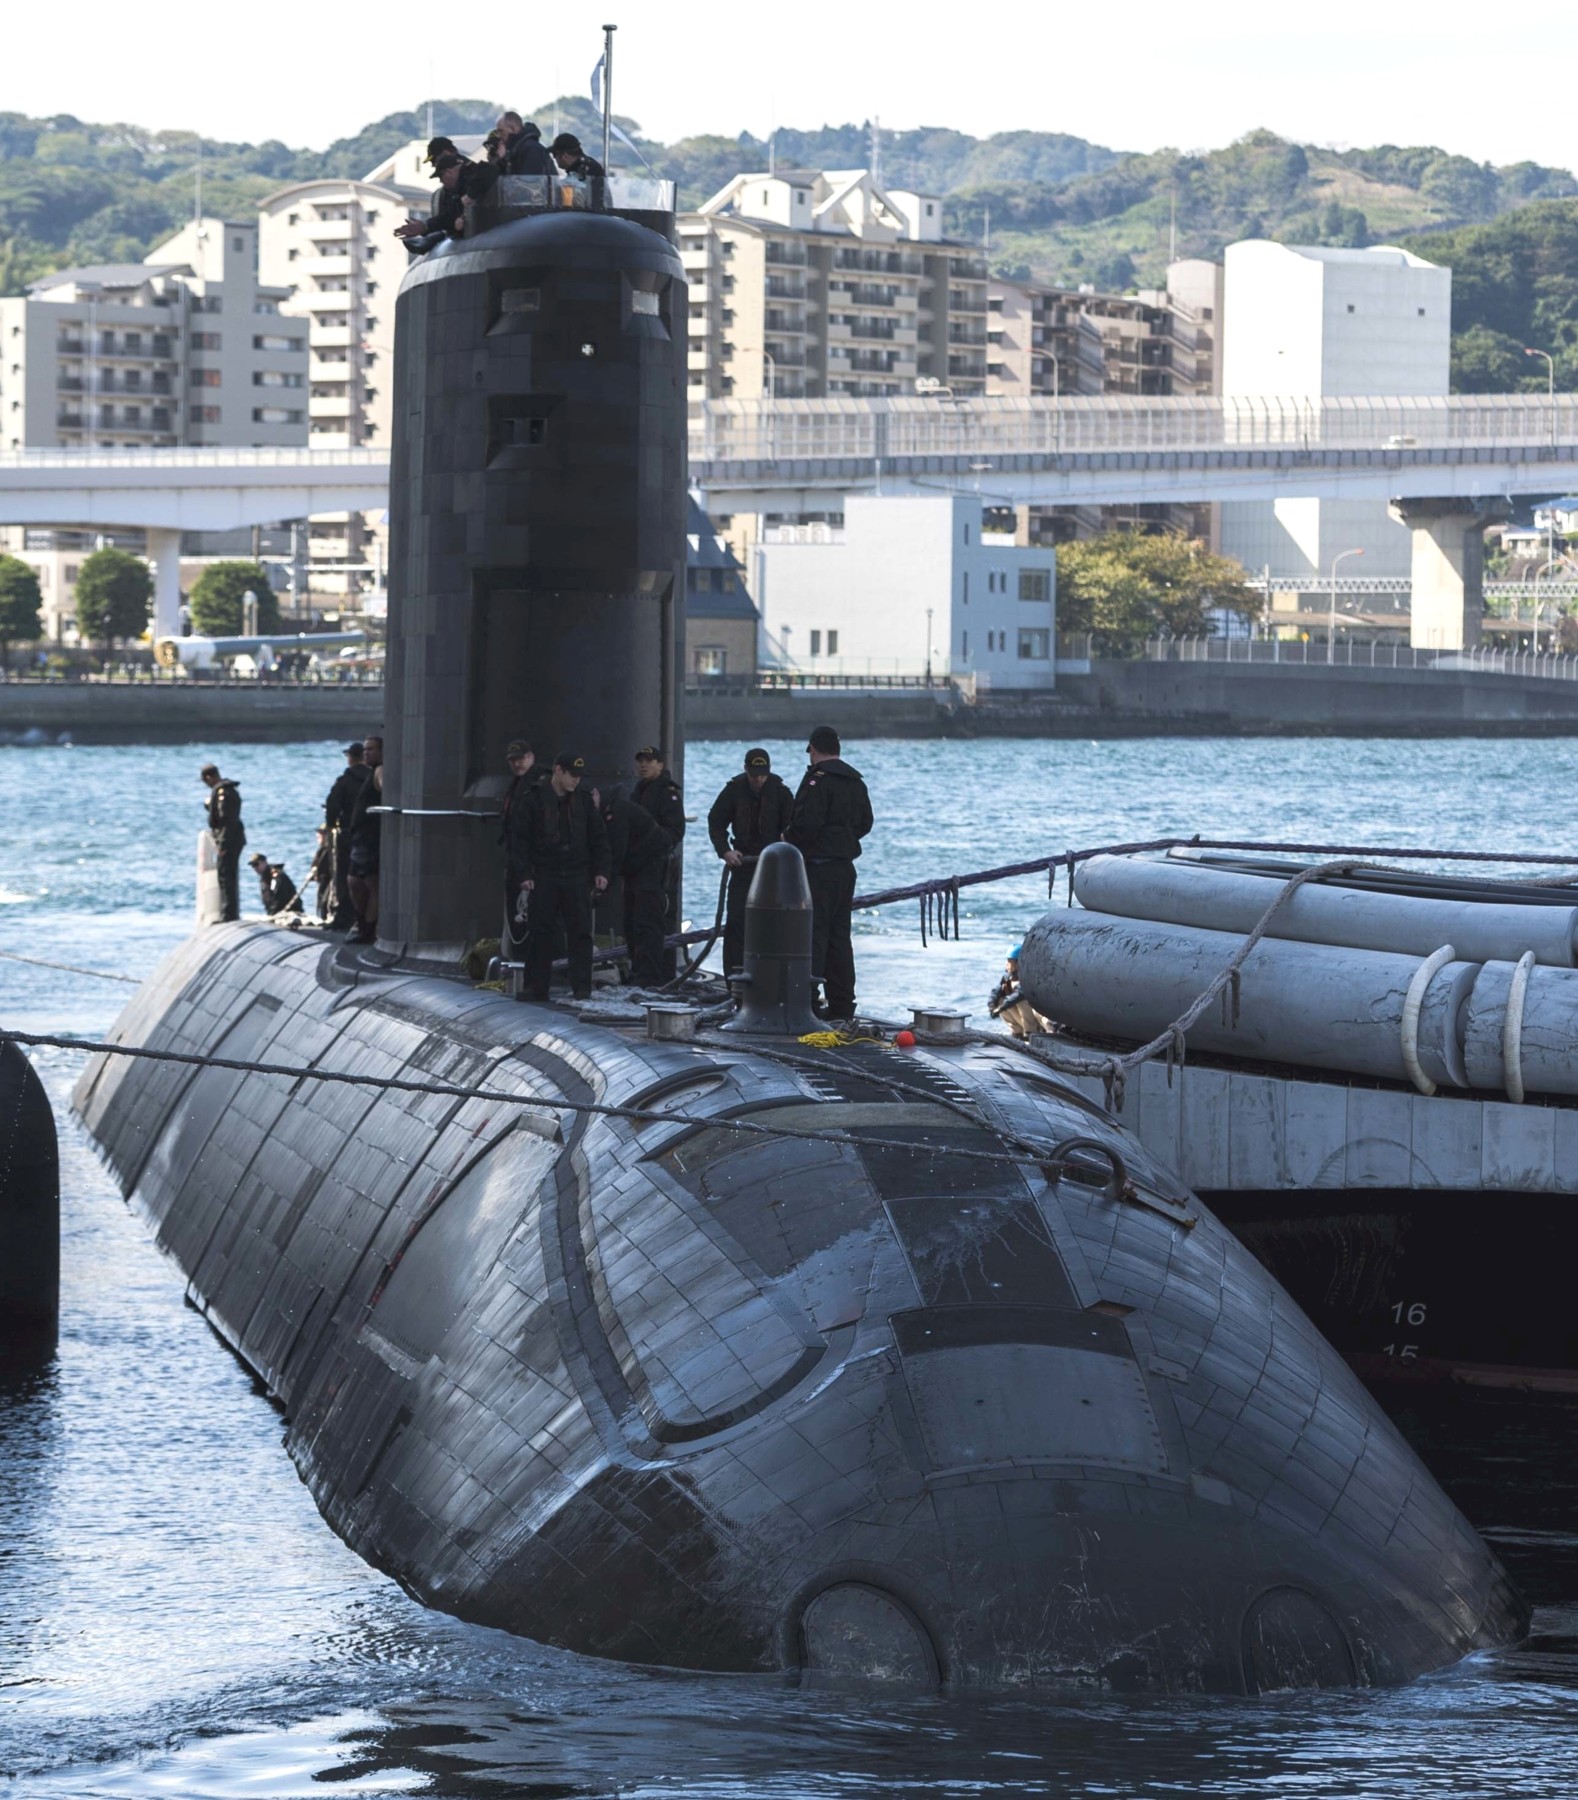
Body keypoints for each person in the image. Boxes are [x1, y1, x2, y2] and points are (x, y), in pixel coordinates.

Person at [785, 726, 872, 1021]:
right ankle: (843, 1004)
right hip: (845, 868)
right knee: (840, 938)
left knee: (814, 935)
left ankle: (808, 1002)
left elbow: (805, 824)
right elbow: (865, 823)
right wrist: (843, 839)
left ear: (813, 748)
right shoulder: (855, 780)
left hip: (818, 867)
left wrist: (788, 838)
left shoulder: (817, 779)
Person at [517, 754, 610, 1001]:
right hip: (545, 874)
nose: (576, 781)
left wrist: (601, 871)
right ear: (558, 770)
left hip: (576, 875)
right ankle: (536, 986)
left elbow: (598, 839)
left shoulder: (583, 801)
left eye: (579, 776)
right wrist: (524, 873)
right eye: (572, 775)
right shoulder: (533, 799)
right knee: (540, 932)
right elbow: (520, 841)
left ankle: (582, 987)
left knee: (580, 933)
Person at [707, 747, 794, 978]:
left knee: (773, 924)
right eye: (754, 774)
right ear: (745, 769)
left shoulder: (781, 793)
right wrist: (725, 851)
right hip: (743, 865)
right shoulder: (734, 791)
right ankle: (734, 981)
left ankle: (770, 979)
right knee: (736, 922)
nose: (758, 780)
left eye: (763, 774)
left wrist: (786, 842)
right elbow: (716, 821)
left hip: (773, 869)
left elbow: (793, 826)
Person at [596, 784, 670, 987]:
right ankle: (638, 971)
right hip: (634, 870)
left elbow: (615, 853)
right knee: (630, 922)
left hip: (650, 867)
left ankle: (650, 977)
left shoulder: (616, 813)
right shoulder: (606, 812)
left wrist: (602, 887)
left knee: (646, 922)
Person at [631, 744, 685, 978]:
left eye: (649, 761)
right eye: (641, 760)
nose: (644, 765)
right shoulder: (639, 791)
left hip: (657, 869)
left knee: (654, 924)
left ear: (660, 765)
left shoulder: (667, 793)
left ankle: (656, 978)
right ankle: (642, 974)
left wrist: (645, 847)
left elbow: (674, 832)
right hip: (637, 868)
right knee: (636, 924)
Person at [499, 738, 547, 959]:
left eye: (521, 759)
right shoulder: (519, 782)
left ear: (531, 758)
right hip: (518, 859)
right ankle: (520, 961)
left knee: (529, 915)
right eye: (513, 761)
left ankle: (530, 962)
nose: (517, 764)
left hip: (531, 864)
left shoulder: (538, 783)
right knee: (517, 914)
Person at [324, 740, 371, 930]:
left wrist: (331, 827)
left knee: (345, 876)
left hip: (347, 834)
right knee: (369, 877)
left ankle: (345, 918)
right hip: (370, 835)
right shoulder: (373, 778)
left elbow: (332, 807)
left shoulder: (345, 780)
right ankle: (367, 918)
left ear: (350, 758)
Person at [345, 735, 384, 944]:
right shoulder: (371, 772)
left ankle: (367, 929)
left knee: (371, 884)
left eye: (371, 749)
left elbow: (386, 788)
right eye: (365, 749)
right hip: (361, 839)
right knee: (354, 882)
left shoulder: (380, 770)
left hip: (369, 840)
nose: (366, 753)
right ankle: (363, 924)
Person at [200, 763, 245, 923]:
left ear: (210, 777)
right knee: (227, 876)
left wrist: (223, 845)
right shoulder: (225, 791)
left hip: (229, 840)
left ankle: (229, 915)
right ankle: (229, 913)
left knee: (226, 877)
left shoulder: (223, 793)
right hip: (233, 839)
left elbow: (227, 821)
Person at [988, 944, 1051, 1040]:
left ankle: (1031, 1031)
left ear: (1018, 963)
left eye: (1010, 961)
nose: (1007, 964)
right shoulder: (1007, 978)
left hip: (1036, 1019)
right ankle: (1017, 1032)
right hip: (1024, 1018)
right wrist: (992, 1005)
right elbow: (996, 991)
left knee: (1021, 1001)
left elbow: (1019, 994)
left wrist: (1002, 1008)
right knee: (999, 1000)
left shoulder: (1028, 977)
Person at [498, 112, 554, 176]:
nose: (499, 136)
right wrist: (502, 161)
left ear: (513, 129)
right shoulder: (516, 150)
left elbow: (529, 182)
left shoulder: (532, 149)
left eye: (501, 131)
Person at [248, 853, 304, 917]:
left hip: (289, 912)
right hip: (276, 913)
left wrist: (273, 914)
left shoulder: (276, 876)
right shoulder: (265, 878)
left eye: (256, 864)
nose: (255, 868)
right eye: (252, 865)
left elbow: (278, 898)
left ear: (264, 862)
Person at [307, 827, 335, 923]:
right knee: (321, 903)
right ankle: (322, 920)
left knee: (324, 903)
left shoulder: (329, 850)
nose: (318, 838)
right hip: (322, 881)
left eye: (320, 835)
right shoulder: (322, 850)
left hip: (329, 881)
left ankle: (325, 920)